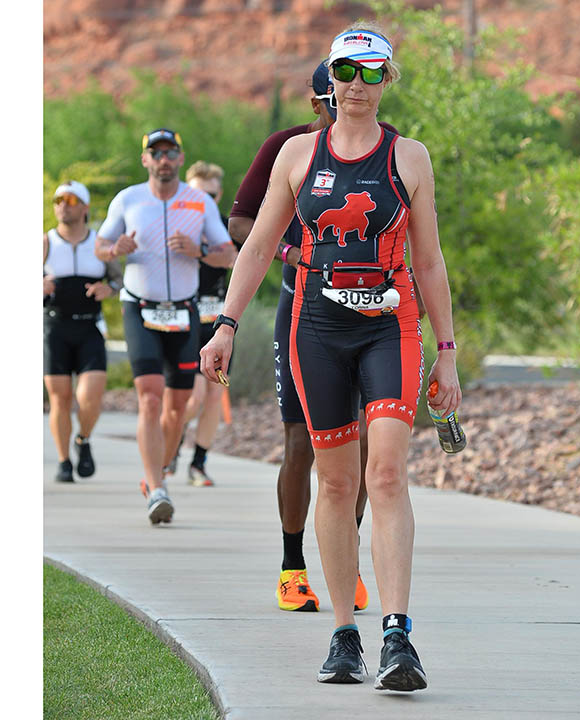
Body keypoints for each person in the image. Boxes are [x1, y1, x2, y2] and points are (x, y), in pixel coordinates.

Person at [203, 24, 459, 691]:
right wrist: (226, 325)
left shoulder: (411, 158)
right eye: (347, 71)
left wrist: (450, 353)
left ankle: (398, 636)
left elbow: (429, 259)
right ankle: (344, 633)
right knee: (337, 483)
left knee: (387, 475)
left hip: (391, 326)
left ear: (388, 81)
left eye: (373, 74)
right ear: (329, 79)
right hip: (315, 323)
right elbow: (257, 247)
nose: (358, 86)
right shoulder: (295, 155)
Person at [229, 60, 401, 614]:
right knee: (303, 444)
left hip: (373, 313)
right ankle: (291, 566)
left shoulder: (391, 148)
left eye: (359, 85)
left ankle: (343, 561)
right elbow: (241, 227)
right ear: (317, 101)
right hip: (303, 309)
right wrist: (292, 253)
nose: (344, 104)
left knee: (373, 447)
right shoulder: (289, 147)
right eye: (332, 97)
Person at [96, 128, 234, 524]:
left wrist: (200, 251)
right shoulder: (129, 200)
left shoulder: (198, 202)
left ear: (180, 157)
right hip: (139, 308)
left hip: (184, 311)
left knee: (177, 408)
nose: (163, 159)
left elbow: (229, 254)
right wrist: (115, 250)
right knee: (151, 397)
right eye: (155, 153)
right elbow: (99, 246)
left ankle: (161, 470)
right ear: (146, 160)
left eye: (170, 152)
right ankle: (156, 487)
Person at [44, 181, 122, 483]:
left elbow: (119, 281)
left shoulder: (99, 246)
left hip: (89, 326)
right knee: (60, 398)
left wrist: (108, 289)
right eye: (59, 199)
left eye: (72, 199)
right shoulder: (45, 243)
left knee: (90, 397)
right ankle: (64, 461)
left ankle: (83, 439)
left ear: (85, 208)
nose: (64, 204)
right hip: (55, 327)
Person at [172, 161, 239, 486]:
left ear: (220, 194)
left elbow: (234, 259)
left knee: (214, 395)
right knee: (192, 396)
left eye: (212, 196)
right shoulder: (174, 225)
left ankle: (198, 463)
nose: (206, 203)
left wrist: (199, 251)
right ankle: (171, 446)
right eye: (199, 195)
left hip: (218, 320)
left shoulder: (226, 228)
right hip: (183, 319)